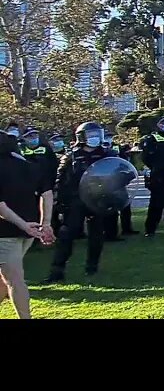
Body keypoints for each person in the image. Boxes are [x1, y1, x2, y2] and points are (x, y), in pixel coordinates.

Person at [45, 122, 114, 282]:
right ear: (81, 137)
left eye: (97, 134)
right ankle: (57, 270)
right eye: (90, 135)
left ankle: (92, 268)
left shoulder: (107, 154)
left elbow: (118, 173)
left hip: (97, 200)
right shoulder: (71, 156)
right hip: (76, 200)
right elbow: (60, 180)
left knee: (96, 235)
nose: (94, 138)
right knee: (66, 235)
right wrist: (60, 202)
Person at [0, 128, 55, 318]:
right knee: (5, 277)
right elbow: (47, 194)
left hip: (5, 233)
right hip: (29, 232)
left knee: (14, 280)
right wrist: (45, 223)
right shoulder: (30, 166)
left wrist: (23, 225)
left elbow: (1, 207)